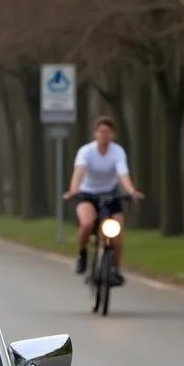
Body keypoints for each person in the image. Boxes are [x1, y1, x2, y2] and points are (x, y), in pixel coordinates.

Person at [62, 116, 144, 285]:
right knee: (86, 223)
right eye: (101, 132)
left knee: (117, 231)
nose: (104, 135)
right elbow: (78, 172)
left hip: (110, 194)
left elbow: (123, 174)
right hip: (88, 194)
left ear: (112, 135)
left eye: (107, 132)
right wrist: (73, 191)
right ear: (95, 134)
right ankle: (82, 253)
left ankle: (115, 269)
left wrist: (131, 191)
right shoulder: (86, 151)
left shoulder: (117, 152)